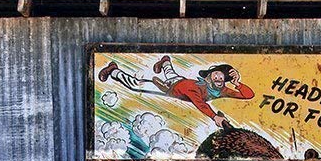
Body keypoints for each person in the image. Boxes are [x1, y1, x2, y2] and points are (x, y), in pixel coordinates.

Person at [98, 57, 254, 127]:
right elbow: (199, 104)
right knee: (135, 85)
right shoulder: (196, 89)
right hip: (171, 88)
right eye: (216, 74)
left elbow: (249, 95)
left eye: (222, 77)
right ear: (209, 76)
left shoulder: (221, 90)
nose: (220, 78)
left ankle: (165, 61)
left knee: (172, 74)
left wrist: (237, 83)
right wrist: (214, 117)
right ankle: (114, 72)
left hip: (179, 82)